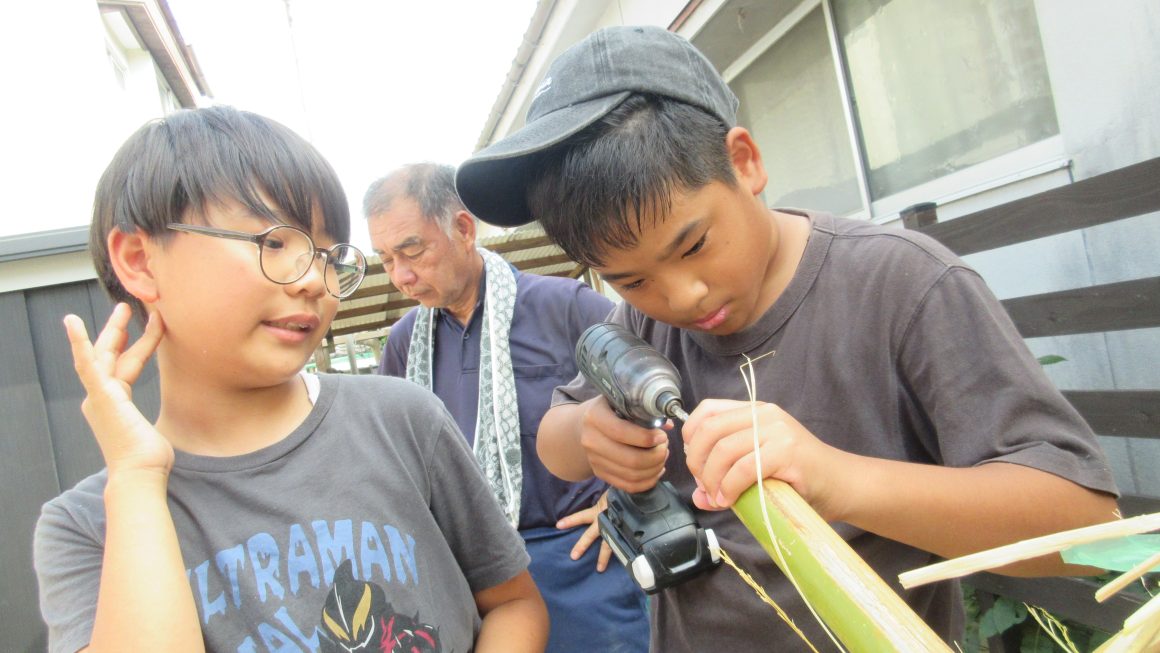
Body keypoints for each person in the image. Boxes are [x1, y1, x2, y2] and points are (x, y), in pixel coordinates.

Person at [453, 25, 1120, 652]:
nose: (681, 296)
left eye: (695, 244)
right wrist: (592, 434)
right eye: (631, 279)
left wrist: (833, 478)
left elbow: (1083, 529)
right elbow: (558, 437)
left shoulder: (902, 286)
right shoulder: (646, 322)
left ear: (743, 162)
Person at [33, 106, 548, 653]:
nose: (314, 281)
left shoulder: (402, 419)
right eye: (273, 243)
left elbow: (514, 603)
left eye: (327, 253)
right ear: (139, 260)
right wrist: (135, 476)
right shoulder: (88, 529)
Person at [363, 163, 649, 653]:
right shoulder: (404, 343)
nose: (402, 277)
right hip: (472, 580)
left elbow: (663, 396)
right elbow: (391, 460)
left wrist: (626, 501)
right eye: (387, 260)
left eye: (412, 251)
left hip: (580, 562)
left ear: (463, 228)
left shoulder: (566, 307)